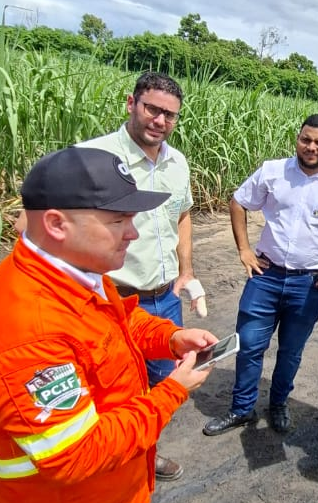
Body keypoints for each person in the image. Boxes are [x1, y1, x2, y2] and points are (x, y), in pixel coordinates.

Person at [0, 147, 218, 503]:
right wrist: (172, 391)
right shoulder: (29, 331)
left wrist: (170, 338)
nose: (133, 234)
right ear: (56, 224)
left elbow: (117, 318)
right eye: (118, 221)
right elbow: (76, 456)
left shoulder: (72, 270)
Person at [203, 114, 318, 436]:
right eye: (306, 139)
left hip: (310, 283)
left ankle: (278, 403)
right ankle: (242, 408)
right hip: (265, 275)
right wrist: (244, 250)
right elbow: (238, 202)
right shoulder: (273, 171)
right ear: (298, 138)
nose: (311, 147)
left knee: (290, 351)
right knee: (248, 344)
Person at [75, 71, 199, 479]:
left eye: (170, 115)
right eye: (152, 109)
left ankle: (146, 452)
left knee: (164, 381)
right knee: (111, 388)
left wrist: (186, 271)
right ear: (131, 103)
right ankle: (111, 464)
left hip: (165, 298)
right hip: (115, 298)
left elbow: (181, 215)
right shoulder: (92, 158)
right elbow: (40, 225)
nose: (160, 121)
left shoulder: (176, 162)